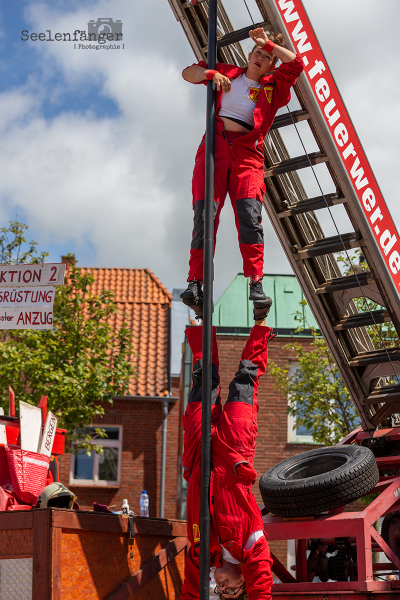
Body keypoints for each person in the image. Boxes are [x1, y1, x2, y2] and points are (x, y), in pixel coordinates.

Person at [180, 27, 304, 315]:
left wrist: (269, 43)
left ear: (272, 64)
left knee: (250, 217)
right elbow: (189, 72)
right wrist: (210, 75)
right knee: (204, 215)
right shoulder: (228, 73)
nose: (260, 57)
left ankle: (256, 283)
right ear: (248, 55)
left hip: (248, 155)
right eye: (257, 52)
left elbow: (296, 64)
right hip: (214, 147)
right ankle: (195, 281)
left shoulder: (274, 87)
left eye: (266, 56)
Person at [181, 304, 275, 599]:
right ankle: (261, 323)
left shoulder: (201, 553)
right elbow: (262, 586)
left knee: (202, 379)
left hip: (197, 453)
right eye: (230, 591)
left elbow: (190, 591)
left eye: (220, 592)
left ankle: (197, 318)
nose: (221, 587)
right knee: (244, 381)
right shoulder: (251, 547)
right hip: (235, 451)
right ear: (244, 581)